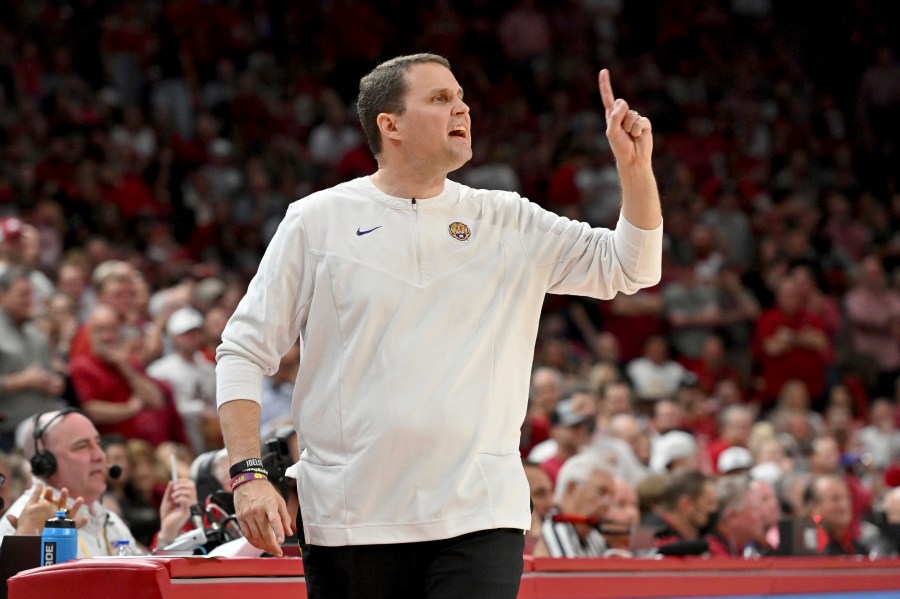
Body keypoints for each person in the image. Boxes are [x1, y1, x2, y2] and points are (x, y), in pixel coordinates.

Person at [216, 53, 661, 598]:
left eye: (462, 98)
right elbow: (241, 351)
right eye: (440, 99)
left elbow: (631, 267)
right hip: (352, 516)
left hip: (479, 513)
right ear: (390, 124)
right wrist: (247, 474)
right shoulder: (317, 220)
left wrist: (635, 172)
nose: (462, 108)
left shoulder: (508, 218)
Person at [0, 409, 197, 555]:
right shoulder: (22, 524)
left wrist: (167, 534)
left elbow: (145, 584)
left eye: (98, 444)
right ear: (45, 464)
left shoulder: (108, 519)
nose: (100, 456)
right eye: (82, 446)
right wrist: (30, 539)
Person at [0, 266, 66, 450]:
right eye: (22, 294)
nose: (28, 300)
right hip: (7, 434)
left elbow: (49, 373)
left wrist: (53, 382)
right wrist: (23, 381)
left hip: (42, 429)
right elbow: (29, 379)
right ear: (2, 295)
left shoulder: (35, 332)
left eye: (30, 294)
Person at [535, 452, 616, 558]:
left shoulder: (593, 537)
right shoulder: (553, 528)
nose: (607, 504)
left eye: (611, 496)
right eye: (601, 492)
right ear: (571, 488)